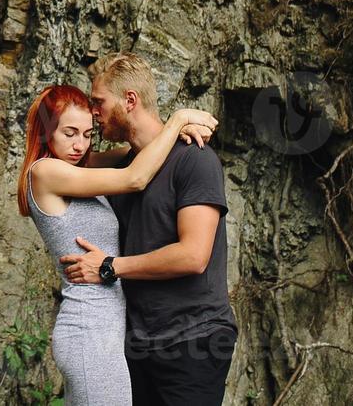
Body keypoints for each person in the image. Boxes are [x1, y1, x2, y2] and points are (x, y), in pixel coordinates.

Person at [19, 83, 220, 406]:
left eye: (87, 134)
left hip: (111, 329)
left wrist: (181, 134)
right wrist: (179, 119)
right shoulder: (46, 172)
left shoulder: (79, 167)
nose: (79, 145)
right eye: (69, 133)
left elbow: (143, 152)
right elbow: (134, 177)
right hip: (89, 328)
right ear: (46, 132)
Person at [59, 53, 238, 406]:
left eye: (98, 102)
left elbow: (193, 256)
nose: (93, 113)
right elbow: (62, 160)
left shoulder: (194, 159)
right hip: (137, 346)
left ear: (130, 100)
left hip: (193, 340)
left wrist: (110, 266)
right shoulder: (124, 170)